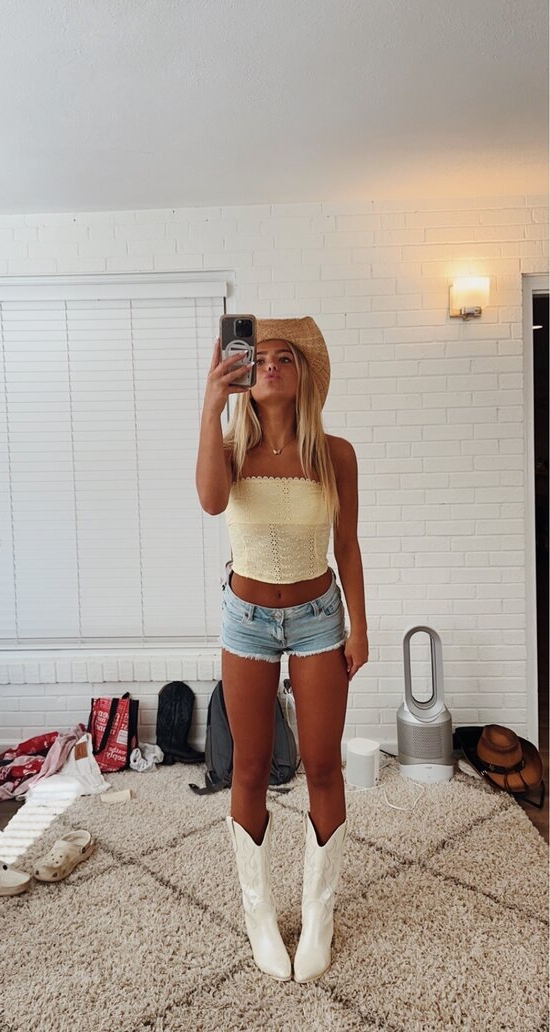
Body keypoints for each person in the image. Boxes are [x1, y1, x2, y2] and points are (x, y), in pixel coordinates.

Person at [195, 316, 368, 984]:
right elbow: (211, 502)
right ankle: (260, 915)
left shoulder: (336, 454)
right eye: (259, 357)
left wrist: (360, 626)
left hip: (319, 619)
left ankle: (319, 916)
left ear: (302, 376)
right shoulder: (231, 451)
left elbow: (347, 546)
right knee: (249, 767)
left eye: (285, 358)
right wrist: (211, 405)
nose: (271, 366)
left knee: (323, 765)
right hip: (246, 621)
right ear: (244, 372)